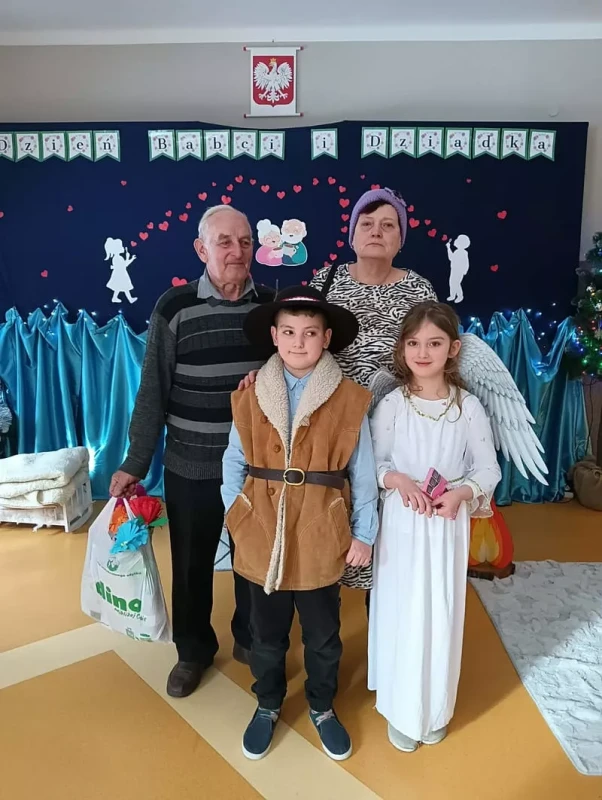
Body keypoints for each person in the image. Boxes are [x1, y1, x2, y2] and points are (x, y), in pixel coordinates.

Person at [109, 204, 275, 699]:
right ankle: (193, 651)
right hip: (191, 463)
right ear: (202, 249)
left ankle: (250, 639)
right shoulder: (174, 307)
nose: (237, 251)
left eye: (245, 242)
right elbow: (152, 391)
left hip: (256, 469)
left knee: (255, 562)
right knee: (190, 565)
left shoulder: (273, 307)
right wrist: (135, 462)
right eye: (224, 242)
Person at [239, 187, 438, 591]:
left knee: (393, 531)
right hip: (331, 428)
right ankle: (322, 604)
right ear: (352, 234)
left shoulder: (420, 292)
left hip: (397, 434)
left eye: (388, 225)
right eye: (367, 223)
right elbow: (298, 342)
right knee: (329, 517)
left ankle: (386, 619)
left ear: (401, 238)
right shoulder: (327, 281)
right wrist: (266, 377)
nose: (376, 232)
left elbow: (433, 358)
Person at [221, 285, 379, 761]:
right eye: (288, 332)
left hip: (319, 529)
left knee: (323, 635)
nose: (298, 342)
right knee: (265, 635)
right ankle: (268, 702)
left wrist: (363, 532)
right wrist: (237, 513)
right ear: (274, 336)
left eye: (310, 333)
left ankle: (322, 705)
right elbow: (234, 459)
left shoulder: (350, 399)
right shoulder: (250, 394)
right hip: (260, 525)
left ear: (326, 338)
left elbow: (362, 471)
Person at [368, 301, 502, 752]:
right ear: (402, 348)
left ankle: (433, 708)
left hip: (445, 526)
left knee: (440, 611)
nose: (422, 352)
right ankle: (402, 708)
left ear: (453, 349)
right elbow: (374, 462)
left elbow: (488, 468)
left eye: (434, 343)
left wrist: (462, 493)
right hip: (403, 526)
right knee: (404, 611)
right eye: (413, 343)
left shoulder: (468, 408)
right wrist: (398, 480)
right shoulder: (392, 405)